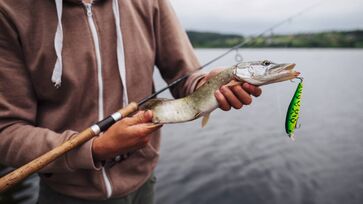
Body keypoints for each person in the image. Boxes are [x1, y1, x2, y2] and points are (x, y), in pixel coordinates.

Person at [0, 0, 262, 203]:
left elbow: (187, 77)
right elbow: (7, 132)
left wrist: (207, 85)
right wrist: (95, 148)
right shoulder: (10, 10)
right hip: (65, 193)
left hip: (142, 186)